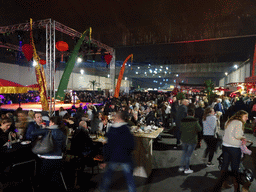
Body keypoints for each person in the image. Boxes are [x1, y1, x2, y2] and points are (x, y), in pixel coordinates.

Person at [212, 110, 248, 192]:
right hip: (234, 147)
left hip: (226, 146)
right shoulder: (239, 123)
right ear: (241, 116)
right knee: (235, 169)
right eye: (245, 116)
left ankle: (221, 184)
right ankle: (236, 189)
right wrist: (243, 138)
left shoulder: (229, 121)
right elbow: (237, 135)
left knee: (224, 166)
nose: (247, 118)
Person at [99, 111, 136, 192]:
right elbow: (131, 144)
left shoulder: (112, 129)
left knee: (107, 177)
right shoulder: (126, 129)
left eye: (115, 117)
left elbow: (108, 146)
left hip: (114, 157)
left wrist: (105, 159)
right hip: (125, 157)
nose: (114, 118)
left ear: (119, 118)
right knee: (129, 179)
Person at [31, 116, 67, 191]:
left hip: (46, 159)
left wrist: (42, 127)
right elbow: (64, 146)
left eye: (50, 122)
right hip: (58, 159)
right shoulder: (63, 131)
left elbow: (33, 133)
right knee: (54, 180)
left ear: (53, 123)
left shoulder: (47, 130)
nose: (49, 123)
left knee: (44, 181)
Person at [179, 109, 202, 174]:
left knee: (184, 153)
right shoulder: (195, 121)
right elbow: (199, 129)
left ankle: (181, 167)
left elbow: (180, 129)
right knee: (188, 155)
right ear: (193, 115)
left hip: (184, 139)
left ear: (187, 114)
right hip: (192, 140)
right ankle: (186, 168)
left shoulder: (182, 121)